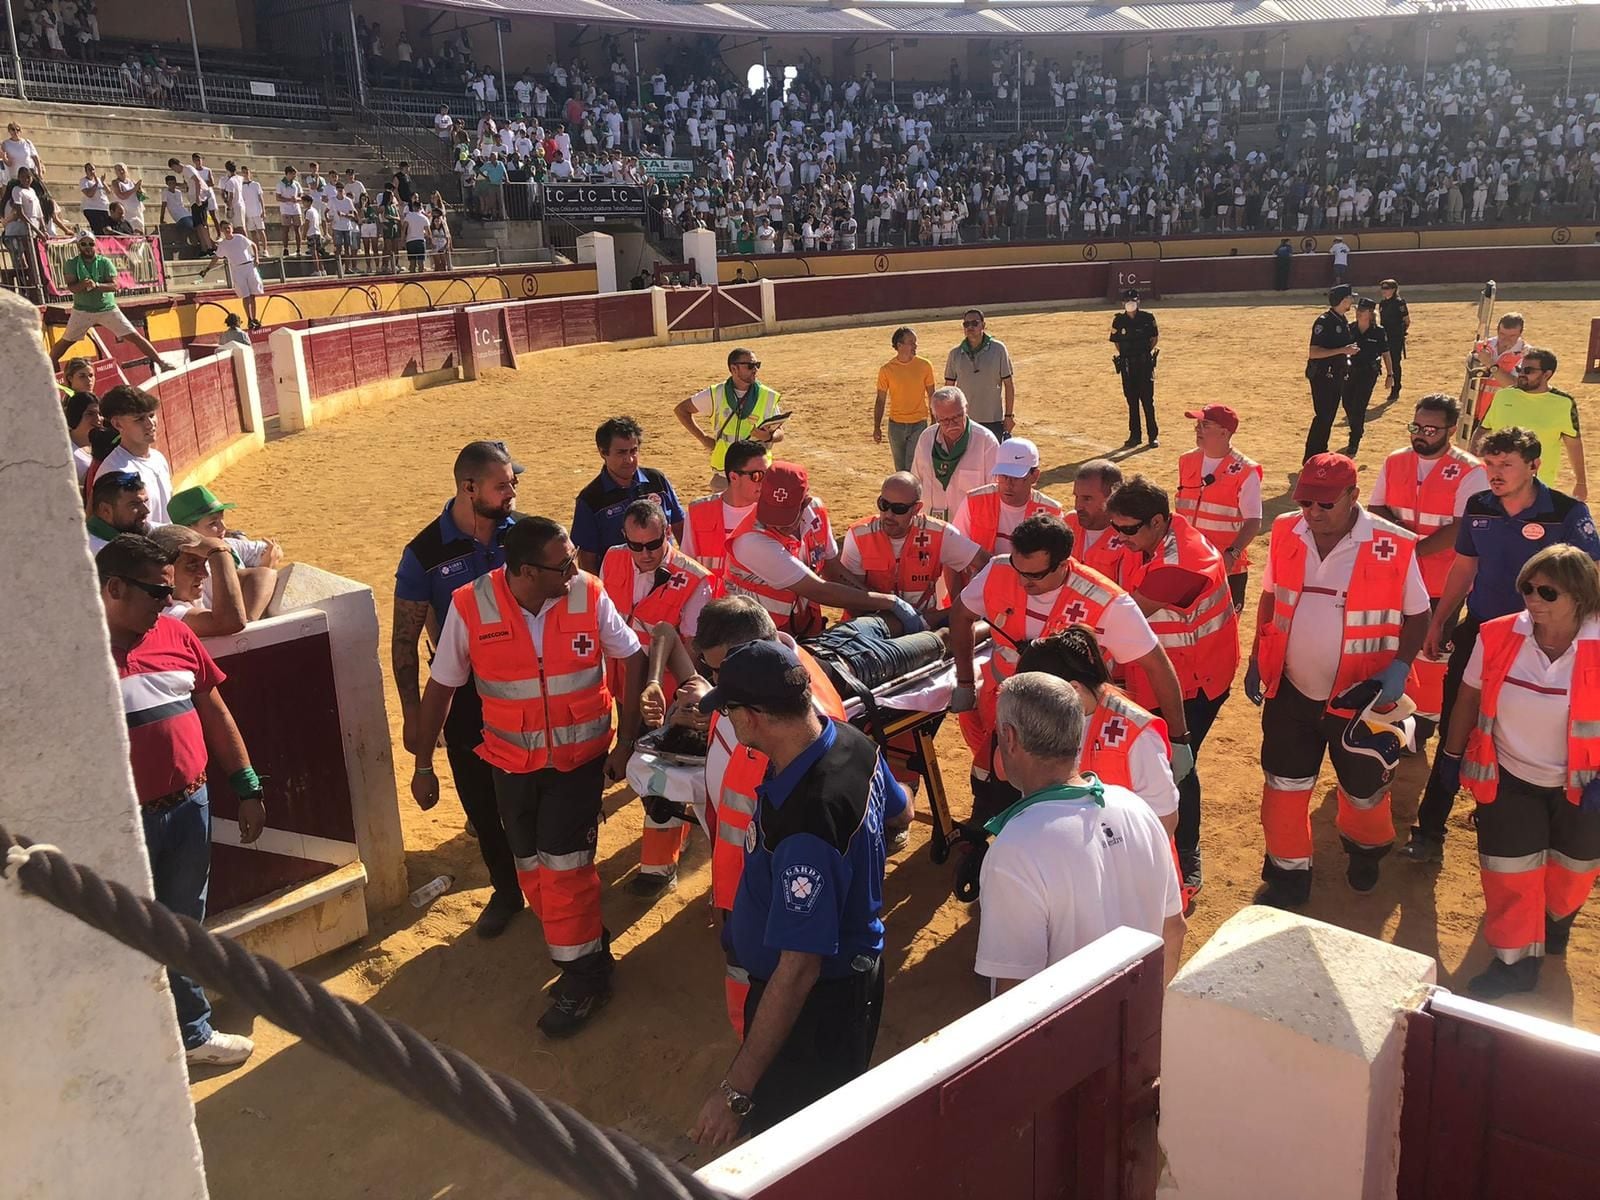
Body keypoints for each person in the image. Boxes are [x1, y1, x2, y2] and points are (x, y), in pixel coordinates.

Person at [410, 516, 646, 1037]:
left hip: (578, 763)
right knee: (531, 866)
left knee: (563, 868)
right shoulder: (471, 606)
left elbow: (632, 655)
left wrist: (626, 741)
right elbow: (442, 688)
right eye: (561, 565)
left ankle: (585, 979)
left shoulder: (587, 592)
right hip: (511, 764)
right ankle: (586, 939)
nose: (573, 570)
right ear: (522, 572)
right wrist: (424, 763)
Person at [689, 638, 902, 1144]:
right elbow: (902, 811)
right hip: (853, 977)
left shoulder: (806, 824)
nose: (727, 720)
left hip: (817, 1010)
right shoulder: (851, 741)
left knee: (797, 1143)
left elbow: (799, 966)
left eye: (729, 709)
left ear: (756, 715)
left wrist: (735, 1092)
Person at [97, 533, 266, 1067]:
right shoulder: (76, 657)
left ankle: (191, 1033)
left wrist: (247, 785)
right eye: (156, 593)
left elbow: (214, 712)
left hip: (189, 807)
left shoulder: (174, 634)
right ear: (114, 588)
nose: (169, 605)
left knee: (184, 924)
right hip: (122, 826)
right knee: (121, 934)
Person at [1403, 427, 1600, 863]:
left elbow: (1591, 577)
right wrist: (1441, 620)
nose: (1495, 473)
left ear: (1534, 466)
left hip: (1546, 640)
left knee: (1531, 728)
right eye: (1489, 464)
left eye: (1506, 464)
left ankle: (1528, 817)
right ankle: (1431, 827)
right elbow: (1464, 567)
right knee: (1459, 720)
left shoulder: (1568, 514)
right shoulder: (1478, 508)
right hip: (1484, 632)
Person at [1244, 453, 1430, 906]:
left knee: (1363, 791)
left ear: (1353, 496)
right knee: (1283, 787)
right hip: (1291, 691)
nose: (1313, 513)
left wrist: (1401, 666)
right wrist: (1256, 657)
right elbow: (1270, 594)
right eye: (1307, 501)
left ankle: (1366, 852)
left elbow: (1419, 614)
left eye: (1325, 504)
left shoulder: (1393, 544)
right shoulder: (1288, 530)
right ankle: (1289, 876)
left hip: (1362, 698)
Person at [952, 514, 1192, 820]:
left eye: (1035, 575)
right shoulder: (1000, 569)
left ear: (1064, 564)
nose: (1023, 583)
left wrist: (1179, 738)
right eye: (1018, 569)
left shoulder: (1108, 603)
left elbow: (1157, 665)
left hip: (1072, 733)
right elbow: (961, 614)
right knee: (990, 790)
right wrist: (964, 682)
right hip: (1008, 715)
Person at [1443, 545, 1600, 998]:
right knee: (1508, 874)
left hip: (1584, 787)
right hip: (1508, 778)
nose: (1533, 599)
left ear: (1581, 598)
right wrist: (1452, 758)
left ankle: (1556, 920)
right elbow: (1469, 698)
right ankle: (1513, 965)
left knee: (1575, 870)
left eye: (1547, 592)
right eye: (1527, 588)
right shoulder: (1497, 635)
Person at [972, 673, 1186, 991]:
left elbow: (1014, 993)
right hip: (1139, 1022)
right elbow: (1174, 930)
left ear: (1010, 738)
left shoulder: (1015, 850)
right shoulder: (1137, 808)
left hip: (1069, 1038)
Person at [392, 441, 526, 937]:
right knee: (479, 797)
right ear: (470, 488)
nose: (513, 491)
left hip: (527, 684)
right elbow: (404, 640)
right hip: (464, 692)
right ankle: (508, 890)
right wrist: (413, 715)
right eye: (503, 484)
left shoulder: (524, 535)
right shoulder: (424, 552)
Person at [1107, 478, 1239, 898]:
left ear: (1159, 521)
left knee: (1175, 766)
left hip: (1193, 684)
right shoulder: (1151, 543)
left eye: (1128, 530)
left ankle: (1185, 850)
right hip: (1164, 675)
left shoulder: (1183, 563)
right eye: (1116, 529)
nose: (1120, 539)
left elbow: (1123, 618)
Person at [599, 498, 711, 894]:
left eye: (654, 544)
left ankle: (659, 867)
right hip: (619, 683)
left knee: (665, 773)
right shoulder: (612, 560)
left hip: (665, 695)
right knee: (638, 765)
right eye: (636, 546)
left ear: (668, 534)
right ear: (625, 540)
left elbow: (692, 650)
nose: (645, 554)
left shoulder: (695, 579)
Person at [1368, 394, 1487, 739]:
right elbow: (1377, 507)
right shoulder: (1395, 461)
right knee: (1389, 646)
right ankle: (1384, 714)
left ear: (1451, 430)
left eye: (1431, 430)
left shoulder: (1470, 470)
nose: (1421, 435)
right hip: (1393, 579)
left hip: (1441, 583)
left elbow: (1460, 527)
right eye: (1416, 427)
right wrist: (1404, 550)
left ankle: (1422, 722)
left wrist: (1410, 551)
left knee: (1431, 654)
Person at [725, 460, 921, 638]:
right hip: (753, 637)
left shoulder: (815, 512)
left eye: (786, 517)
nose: (777, 525)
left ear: (805, 503)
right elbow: (818, 590)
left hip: (801, 628)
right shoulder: (751, 541)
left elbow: (832, 568)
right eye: (771, 513)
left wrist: (878, 608)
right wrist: (890, 603)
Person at [1016, 629, 1179, 836]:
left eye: (1039, 701)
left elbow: (1164, 819)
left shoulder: (1137, 735)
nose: (1032, 710)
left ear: (1073, 689)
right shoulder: (1048, 721)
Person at [838, 472, 987, 627]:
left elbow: (989, 565)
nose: (889, 514)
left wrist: (966, 607)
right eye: (884, 504)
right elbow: (852, 599)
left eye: (899, 508)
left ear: (917, 508)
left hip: (923, 627)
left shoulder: (940, 534)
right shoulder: (859, 535)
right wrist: (891, 611)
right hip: (868, 626)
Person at [1175, 406, 1262, 611]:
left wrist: (1232, 553)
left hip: (1226, 567)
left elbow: (1253, 520)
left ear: (1224, 433)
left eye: (1205, 425)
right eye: (1198, 424)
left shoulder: (1246, 471)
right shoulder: (1186, 461)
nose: (1198, 429)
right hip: (1188, 562)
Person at [572, 415, 684, 573]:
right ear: (603, 452)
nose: (629, 459)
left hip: (666, 577)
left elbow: (680, 528)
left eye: (634, 451)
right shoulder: (591, 499)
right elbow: (587, 559)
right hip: (621, 585)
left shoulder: (657, 480)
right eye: (621, 453)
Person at [1474, 348, 1588, 501]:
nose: (1521, 374)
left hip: (1538, 486)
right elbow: (1482, 431)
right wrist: (1472, 468)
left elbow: (1573, 444)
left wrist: (1581, 482)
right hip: (1496, 483)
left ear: (1547, 374)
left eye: (1528, 370)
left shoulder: (1564, 403)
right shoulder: (1503, 396)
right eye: (1520, 369)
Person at [49, 231, 167, 369]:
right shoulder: (71, 263)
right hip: (82, 310)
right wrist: (83, 285)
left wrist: (97, 285)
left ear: (95, 245)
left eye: (91, 244)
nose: (88, 247)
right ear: (78, 246)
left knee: (135, 336)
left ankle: (161, 363)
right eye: (84, 244)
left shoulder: (104, 262)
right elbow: (72, 287)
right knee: (66, 341)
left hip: (107, 308)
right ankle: (48, 366)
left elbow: (115, 285)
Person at [168, 484, 282, 622]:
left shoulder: (228, 544)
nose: (224, 527)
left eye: (222, 519)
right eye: (213, 523)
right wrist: (266, 566)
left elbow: (271, 549)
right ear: (187, 529)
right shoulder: (200, 567)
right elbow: (265, 570)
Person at [674, 348, 784, 490]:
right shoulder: (716, 394)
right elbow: (681, 410)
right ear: (734, 368)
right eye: (750, 366)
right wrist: (704, 438)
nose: (755, 369)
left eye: (758, 365)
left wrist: (769, 436)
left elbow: (780, 433)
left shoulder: (767, 396)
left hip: (756, 475)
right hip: (725, 473)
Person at [680, 439, 768, 588]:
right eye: (757, 476)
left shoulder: (774, 515)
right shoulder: (698, 512)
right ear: (734, 477)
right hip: (711, 605)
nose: (764, 482)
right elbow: (687, 564)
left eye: (768, 475)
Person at [952, 438, 1062, 557]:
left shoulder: (1052, 513)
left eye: (1016, 477)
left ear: (1034, 476)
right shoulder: (974, 501)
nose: (1008, 484)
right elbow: (954, 549)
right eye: (1003, 476)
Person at [910, 386, 1000, 522]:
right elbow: (915, 482)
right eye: (944, 420)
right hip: (931, 526)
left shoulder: (986, 442)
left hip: (969, 527)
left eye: (957, 417)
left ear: (966, 409)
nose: (952, 425)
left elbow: (995, 491)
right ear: (935, 417)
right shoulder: (926, 439)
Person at [147, 524, 250, 637]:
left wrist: (252, 619)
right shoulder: (166, 612)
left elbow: (260, 574)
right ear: (163, 571)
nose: (204, 574)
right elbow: (230, 622)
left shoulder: (184, 595)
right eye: (192, 566)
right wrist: (219, 551)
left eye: (204, 564)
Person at [95, 385, 173, 523]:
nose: (150, 424)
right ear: (117, 424)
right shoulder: (116, 471)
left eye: (151, 415)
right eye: (139, 419)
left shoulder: (158, 458)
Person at [1302, 284, 1359, 462]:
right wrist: (1343, 350)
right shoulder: (1324, 321)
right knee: (1323, 415)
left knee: (1329, 415)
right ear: (1342, 300)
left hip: (1336, 373)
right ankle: (1311, 454)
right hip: (1322, 375)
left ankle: (1320, 449)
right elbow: (1314, 352)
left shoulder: (1341, 319)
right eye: (1350, 298)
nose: (1352, 300)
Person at [943, 309, 1015, 442]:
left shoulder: (998, 349)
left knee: (992, 461)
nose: (970, 327)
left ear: (983, 325)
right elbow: (948, 389)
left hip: (993, 419)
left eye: (974, 323)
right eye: (966, 324)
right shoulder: (955, 354)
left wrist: (1009, 416)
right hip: (963, 420)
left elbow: (1009, 384)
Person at [873, 326, 936, 472]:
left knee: (912, 466)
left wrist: (934, 420)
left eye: (915, 342)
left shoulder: (925, 366)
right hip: (896, 426)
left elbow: (932, 394)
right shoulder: (886, 370)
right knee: (900, 469)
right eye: (911, 342)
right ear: (899, 346)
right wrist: (876, 426)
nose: (915, 346)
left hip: (919, 423)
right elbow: (880, 400)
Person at [1340, 298, 1393, 456]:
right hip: (1349, 371)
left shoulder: (1378, 331)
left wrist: (1390, 374)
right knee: (1347, 403)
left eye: (1362, 311)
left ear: (1370, 313)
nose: (1358, 313)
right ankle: (1357, 427)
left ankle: (1354, 439)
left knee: (1359, 406)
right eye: (1357, 310)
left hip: (1368, 373)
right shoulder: (1349, 329)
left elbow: (1386, 353)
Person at [1064, 459, 1131, 582]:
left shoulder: (1130, 537)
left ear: (1112, 496)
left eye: (1087, 499)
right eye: (1076, 497)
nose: (1077, 506)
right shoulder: (1069, 523)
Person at [1110, 288, 1160, 449]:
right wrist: (1127, 355)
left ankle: (1152, 436)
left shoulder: (1147, 318)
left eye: (1133, 300)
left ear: (1138, 302)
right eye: (1127, 300)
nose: (1130, 303)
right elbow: (1117, 342)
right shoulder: (1118, 321)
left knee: (1147, 401)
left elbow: (1154, 339)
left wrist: (1143, 353)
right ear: (1123, 303)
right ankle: (1135, 436)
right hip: (1127, 365)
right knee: (1132, 401)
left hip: (1144, 364)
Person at [196, 220, 264, 330]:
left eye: (229, 227)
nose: (227, 230)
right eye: (225, 228)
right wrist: (207, 269)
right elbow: (216, 258)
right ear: (222, 230)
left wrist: (256, 258)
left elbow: (253, 245)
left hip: (249, 266)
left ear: (231, 228)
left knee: (252, 294)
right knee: (245, 295)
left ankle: (255, 318)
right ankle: (249, 319)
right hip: (237, 269)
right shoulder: (223, 244)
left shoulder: (240, 238)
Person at [1469, 312, 1527, 426]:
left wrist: (1491, 364)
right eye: (1502, 334)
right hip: (1474, 413)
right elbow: (1469, 379)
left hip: (1503, 416)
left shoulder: (1526, 354)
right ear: (1497, 330)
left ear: (1520, 333)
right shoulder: (1482, 346)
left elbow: (1514, 386)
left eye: (1512, 336)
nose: (1505, 339)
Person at [85, 469, 149, 553]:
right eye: (134, 504)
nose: (146, 510)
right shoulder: (98, 553)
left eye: (145, 501)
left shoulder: (129, 530)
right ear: (106, 510)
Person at [62, 370, 100, 486]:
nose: (98, 419)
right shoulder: (65, 452)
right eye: (90, 414)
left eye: (99, 413)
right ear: (76, 416)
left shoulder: (102, 440)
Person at [1376, 279, 1410, 402]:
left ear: (1393, 290)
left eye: (1387, 289)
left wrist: (1401, 332)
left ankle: (1396, 388)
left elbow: (1406, 320)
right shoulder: (1382, 304)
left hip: (1395, 337)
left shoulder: (1399, 303)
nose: (1384, 291)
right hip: (1384, 336)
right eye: (1383, 289)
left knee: (1395, 362)